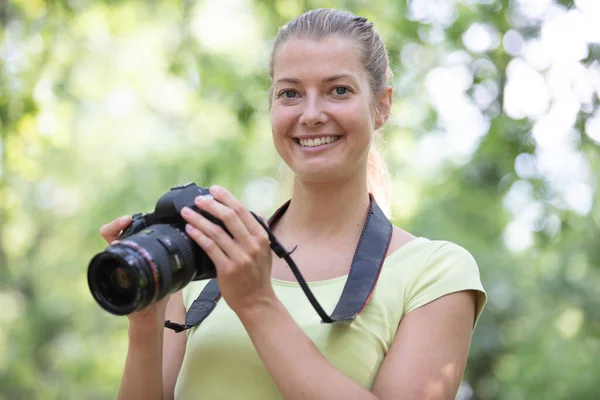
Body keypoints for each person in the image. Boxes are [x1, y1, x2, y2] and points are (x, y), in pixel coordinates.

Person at [100, 8, 487, 400]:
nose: (312, 114)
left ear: (382, 106)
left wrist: (256, 303)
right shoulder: (214, 255)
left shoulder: (434, 273)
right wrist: (145, 323)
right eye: (290, 93)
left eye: (339, 90)